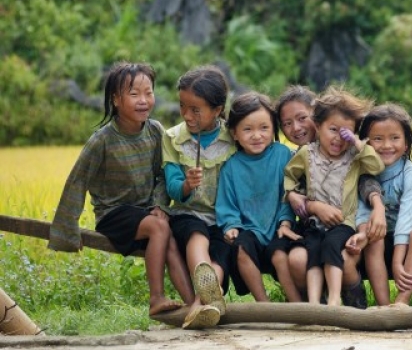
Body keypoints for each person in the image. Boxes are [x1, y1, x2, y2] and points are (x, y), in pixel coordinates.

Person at [48, 62, 193, 317]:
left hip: (146, 212)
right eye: (134, 94)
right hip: (113, 215)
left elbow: (162, 174)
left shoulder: (155, 131)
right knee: (160, 227)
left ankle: (195, 306)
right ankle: (156, 299)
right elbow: (77, 181)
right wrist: (66, 231)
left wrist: (159, 205)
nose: (143, 100)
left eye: (148, 93)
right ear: (115, 99)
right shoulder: (102, 140)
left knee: (166, 233)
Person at [283, 85, 384, 307]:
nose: (339, 138)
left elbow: (376, 166)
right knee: (313, 251)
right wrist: (291, 194)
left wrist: (357, 144)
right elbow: (289, 174)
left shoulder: (353, 156)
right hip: (313, 223)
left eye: (345, 133)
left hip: (342, 222)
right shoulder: (306, 154)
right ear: (317, 127)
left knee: (330, 246)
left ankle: (336, 299)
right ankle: (313, 303)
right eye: (333, 130)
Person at [162, 65, 236, 328]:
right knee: (197, 235)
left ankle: (199, 305)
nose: (186, 115)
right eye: (183, 106)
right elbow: (172, 186)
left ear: (217, 110)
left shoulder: (234, 137)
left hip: (223, 218)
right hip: (188, 213)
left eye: (196, 109)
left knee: (221, 254)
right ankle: (204, 297)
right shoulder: (173, 138)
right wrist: (185, 185)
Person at [215, 92, 302, 302]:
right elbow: (226, 203)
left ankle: (298, 306)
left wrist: (286, 222)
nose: (257, 135)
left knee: (281, 257)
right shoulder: (231, 167)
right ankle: (264, 305)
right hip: (249, 229)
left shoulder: (283, 155)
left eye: (264, 128)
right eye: (248, 129)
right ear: (234, 133)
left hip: (279, 227)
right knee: (241, 251)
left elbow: (289, 192)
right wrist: (231, 225)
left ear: (274, 128)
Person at [355, 103, 412, 306]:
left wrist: (398, 261)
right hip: (377, 238)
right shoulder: (363, 172)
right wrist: (364, 232)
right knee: (374, 238)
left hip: (407, 240)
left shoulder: (411, 174)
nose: (387, 145)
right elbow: (361, 211)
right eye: (378, 139)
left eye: (395, 138)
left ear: (406, 143)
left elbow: (408, 221)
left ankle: (401, 303)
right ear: (366, 143)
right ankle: (384, 306)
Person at [275, 85, 318, 298]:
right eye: (287, 124)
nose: (296, 128)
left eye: (302, 118)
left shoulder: (338, 149)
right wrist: (290, 193)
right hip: (311, 229)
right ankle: (312, 304)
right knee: (296, 260)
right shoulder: (293, 158)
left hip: (346, 225)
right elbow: (290, 184)